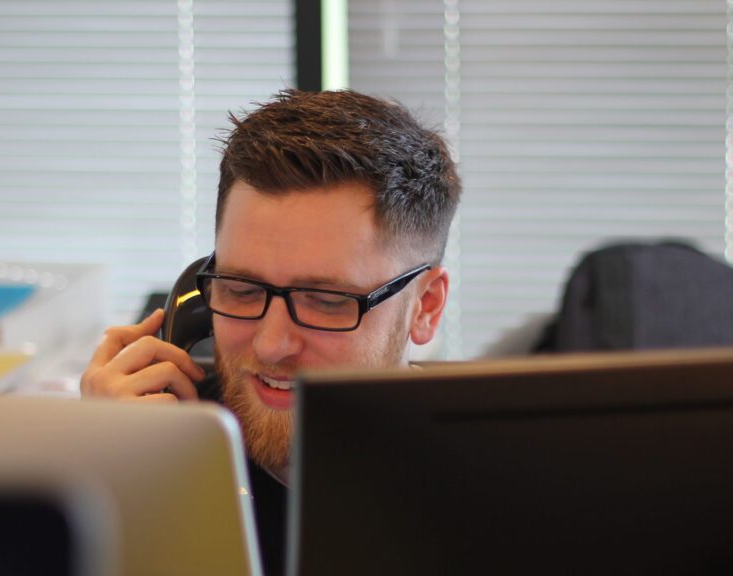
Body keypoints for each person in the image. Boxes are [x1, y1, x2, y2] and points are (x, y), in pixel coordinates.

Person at [80, 88, 461, 575]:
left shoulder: (502, 492)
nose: (270, 344)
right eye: (241, 289)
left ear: (425, 307)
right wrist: (102, 479)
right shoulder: (153, 451)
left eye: (326, 301)